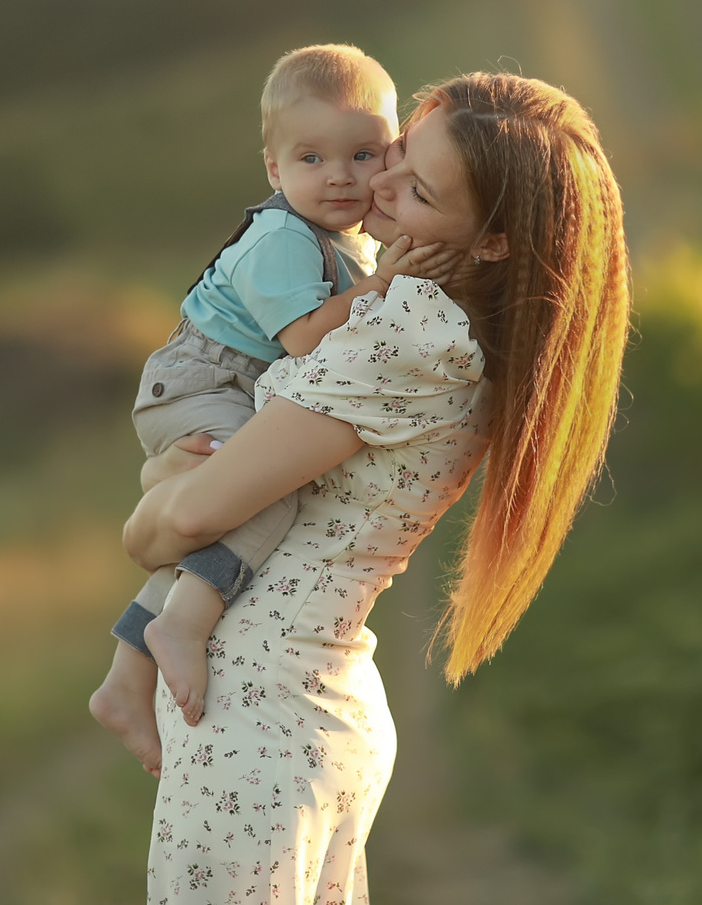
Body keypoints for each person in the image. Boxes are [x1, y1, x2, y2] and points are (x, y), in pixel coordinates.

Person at [121, 72, 630, 905]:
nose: (376, 187)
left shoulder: (410, 333)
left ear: (492, 242)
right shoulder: (440, 323)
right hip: (304, 705)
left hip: (259, 713)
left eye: (417, 189)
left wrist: (145, 518)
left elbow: (186, 517)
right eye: (397, 155)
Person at [91, 43, 455, 776]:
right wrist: (380, 285)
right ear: (273, 170)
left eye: (362, 155)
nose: (340, 176)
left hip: (229, 388)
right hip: (202, 387)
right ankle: (180, 627)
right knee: (265, 498)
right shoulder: (283, 238)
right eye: (312, 159)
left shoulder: (342, 240)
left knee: (235, 507)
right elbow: (306, 338)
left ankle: (125, 678)